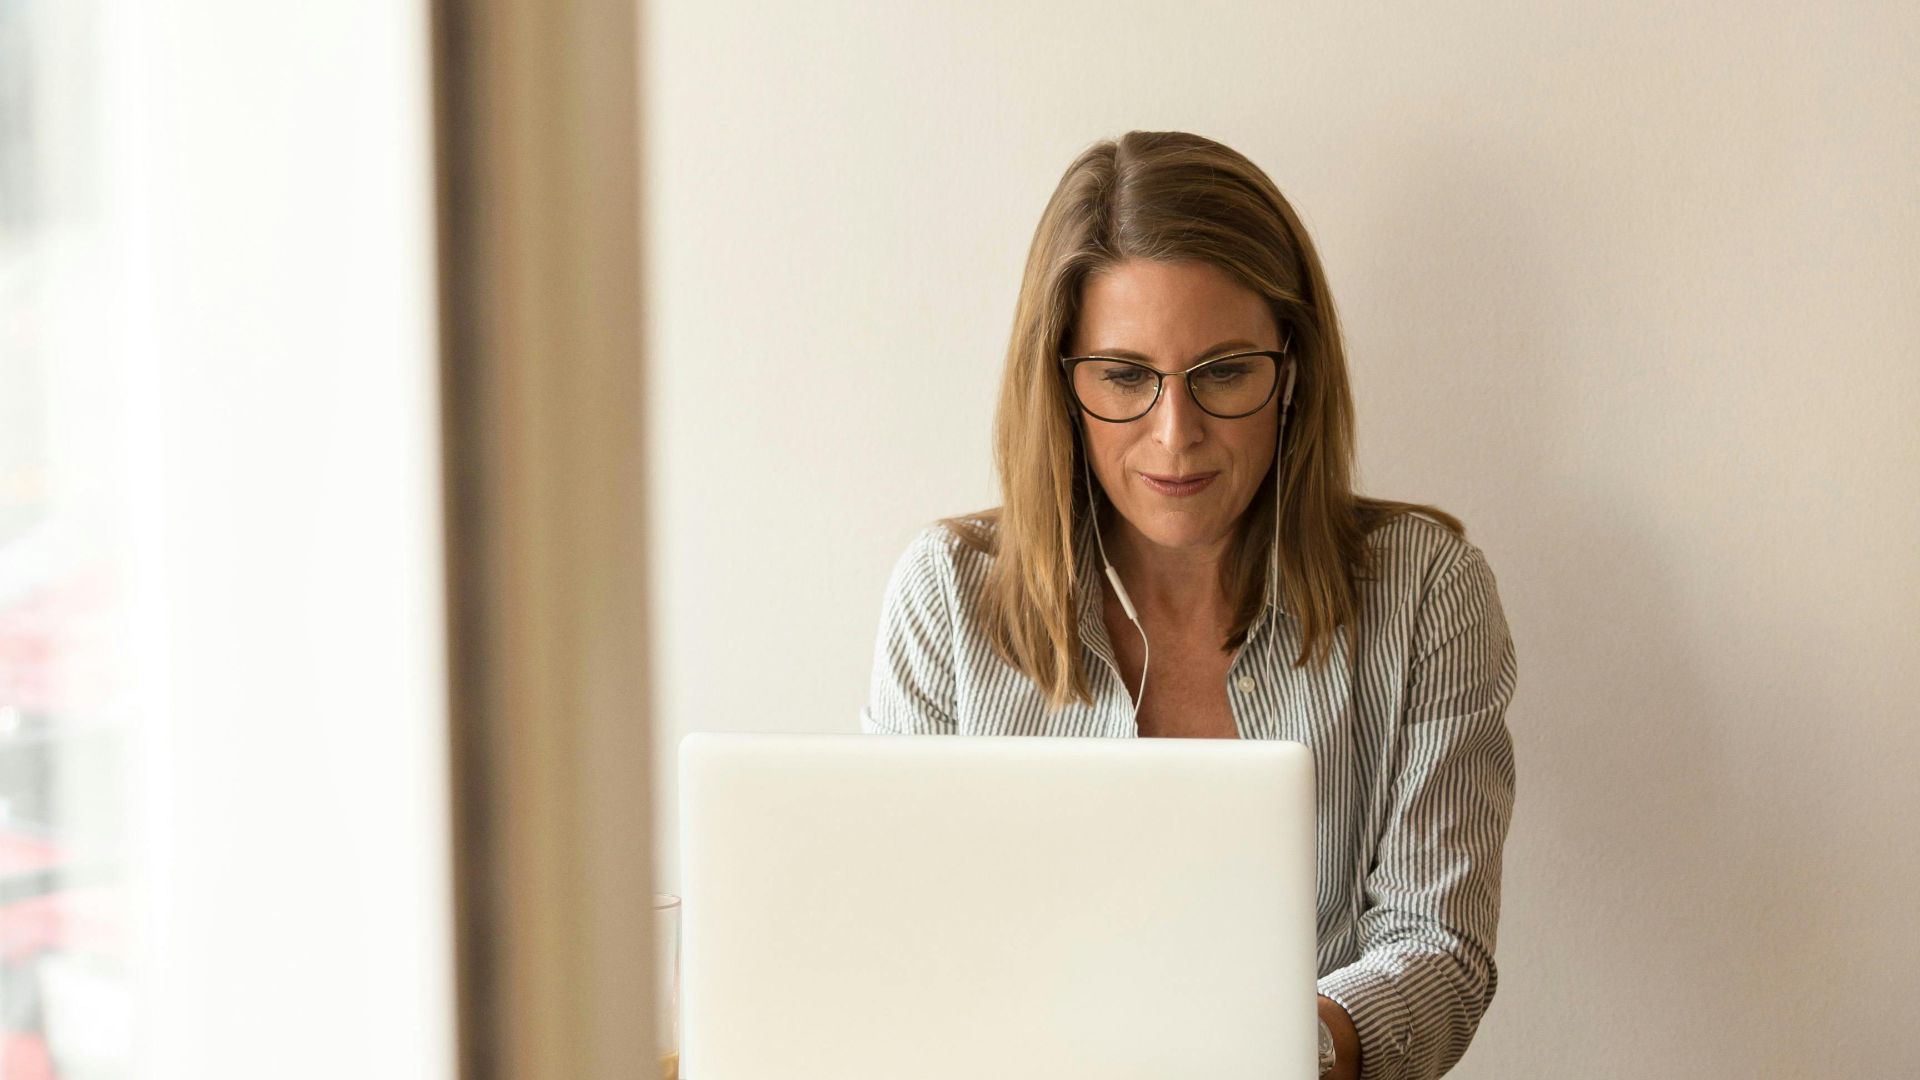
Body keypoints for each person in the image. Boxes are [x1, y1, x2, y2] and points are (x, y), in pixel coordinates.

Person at [859, 130, 1517, 1080]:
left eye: (1223, 374)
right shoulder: (948, 596)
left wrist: (1291, 1051)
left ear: (1291, 368)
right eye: (1125, 377)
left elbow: (1439, 949)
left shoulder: (1424, 592)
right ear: (1061, 383)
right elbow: (896, 947)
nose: (1176, 437)